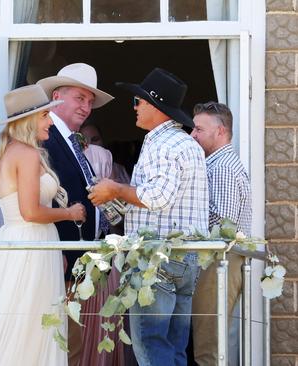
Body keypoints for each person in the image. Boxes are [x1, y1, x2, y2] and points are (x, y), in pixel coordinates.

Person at [0, 84, 85, 365]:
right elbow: (31, 211)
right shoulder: (27, 154)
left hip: (21, 242)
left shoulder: (8, 152)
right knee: (31, 321)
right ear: (28, 120)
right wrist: (70, 214)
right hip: (30, 243)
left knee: (23, 319)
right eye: (45, 116)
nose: (50, 121)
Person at [89, 68, 209, 366]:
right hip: (184, 257)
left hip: (158, 259)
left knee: (152, 346)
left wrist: (115, 188)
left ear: (154, 105)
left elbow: (157, 197)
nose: (134, 107)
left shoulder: (162, 144)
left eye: (137, 102)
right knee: (175, 347)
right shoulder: (185, 143)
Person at [36, 63, 118, 366]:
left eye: (90, 102)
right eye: (79, 98)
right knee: (61, 343)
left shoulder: (69, 137)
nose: (86, 107)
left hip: (78, 261)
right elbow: (40, 199)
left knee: (71, 343)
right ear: (57, 97)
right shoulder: (45, 138)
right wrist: (57, 250)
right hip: (59, 258)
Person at [190, 102, 252, 365]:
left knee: (209, 347)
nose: (192, 135)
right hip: (220, 262)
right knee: (212, 343)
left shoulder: (222, 167)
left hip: (218, 261)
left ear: (220, 131)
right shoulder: (220, 163)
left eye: (198, 129)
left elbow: (221, 225)